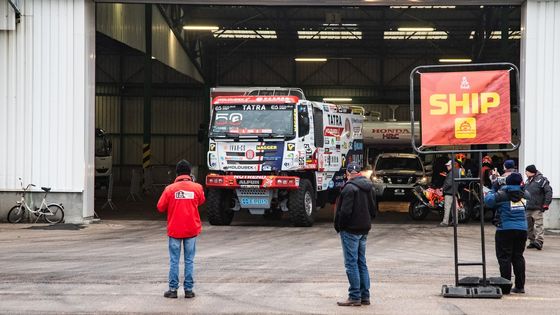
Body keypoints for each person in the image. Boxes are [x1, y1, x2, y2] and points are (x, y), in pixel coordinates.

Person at [157, 160, 206, 299]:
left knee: (174, 260)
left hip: (175, 230)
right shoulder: (197, 188)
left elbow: (160, 207)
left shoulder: (170, 189)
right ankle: (189, 290)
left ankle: (173, 290)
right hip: (191, 230)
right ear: (190, 172)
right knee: (189, 260)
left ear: (177, 173)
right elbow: (201, 201)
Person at [334, 162, 377, 307]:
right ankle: (365, 296)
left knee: (351, 263)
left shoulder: (349, 188)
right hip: (364, 229)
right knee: (361, 262)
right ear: (360, 172)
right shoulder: (369, 187)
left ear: (347, 174)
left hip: (350, 230)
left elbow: (345, 212)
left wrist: (340, 226)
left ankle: (354, 296)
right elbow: (373, 209)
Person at [485, 173, 530, 294]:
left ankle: (505, 286)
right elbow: (529, 200)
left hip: (505, 229)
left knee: (505, 258)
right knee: (518, 257)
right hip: (522, 229)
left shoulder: (502, 194)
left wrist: (493, 188)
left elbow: (488, 201)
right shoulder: (525, 195)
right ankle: (520, 286)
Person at [524, 164, 553, 250]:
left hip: (537, 207)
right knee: (528, 226)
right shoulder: (527, 181)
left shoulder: (542, 180)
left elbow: (548, 192)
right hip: (528, 207)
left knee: (538, 225)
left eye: (526, 171)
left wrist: (546, 204)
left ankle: (539, 241)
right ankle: (532, 241)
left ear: (531, 172)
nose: (525, 173)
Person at [440, 160, 460, 227]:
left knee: (447, 208)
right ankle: (455, 222)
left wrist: (443, 188)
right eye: (447, 166)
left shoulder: (451, 173)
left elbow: (449, 183)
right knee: (454, 209)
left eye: (448, 165)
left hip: (449, 193)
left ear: (452, 165)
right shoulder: (456, 172)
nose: (447, 167)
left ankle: (445, 222)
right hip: (454, 193)